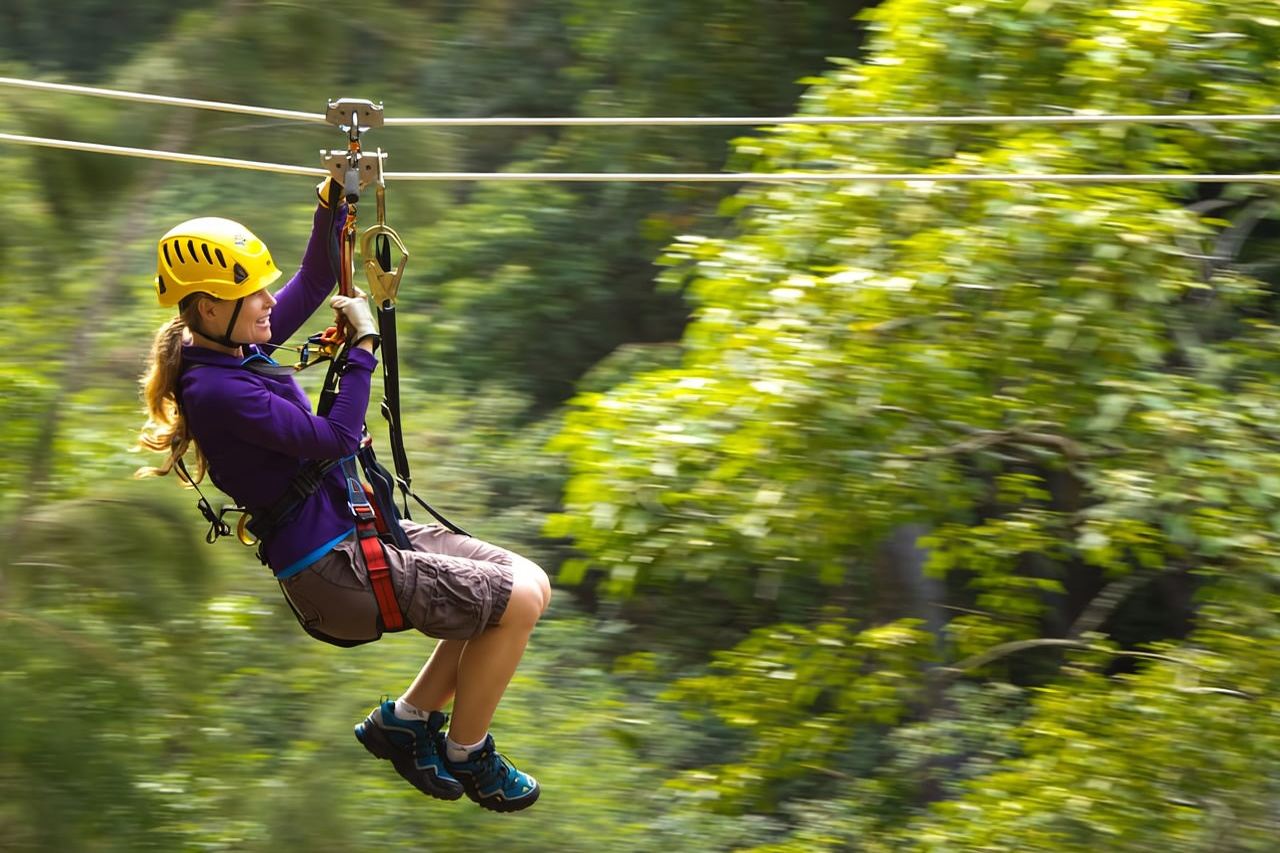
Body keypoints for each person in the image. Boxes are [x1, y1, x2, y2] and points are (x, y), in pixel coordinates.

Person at [134, 178, 551, 813]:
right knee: (514, 602)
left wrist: (333, 205)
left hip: (360, 532)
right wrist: (362, 348)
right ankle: (469, 752)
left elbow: (312, 275)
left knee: (529, 583)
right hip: (336, 569)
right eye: (255, 295)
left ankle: (407, 722)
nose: (272, 302)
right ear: (211, 309)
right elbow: (334, 437)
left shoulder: (234, 350)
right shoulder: (218, 392)